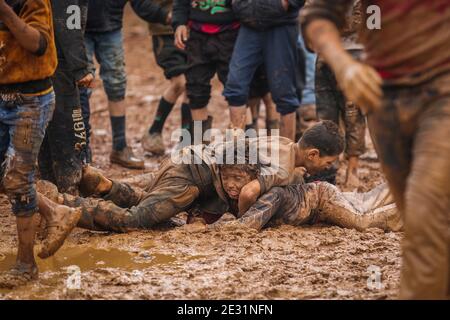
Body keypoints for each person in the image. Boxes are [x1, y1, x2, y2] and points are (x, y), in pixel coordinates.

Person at [301, 0, 450, 299]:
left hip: (442, 95)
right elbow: (317, 17)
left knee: (424, 213)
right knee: (419, 217)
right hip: (384, 101)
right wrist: (344, 65)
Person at [37, 121, 344, 234]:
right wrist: (244, 223)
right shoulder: (282, 168)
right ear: (313, 154)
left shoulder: (281, 143)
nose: (327, 168)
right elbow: (250, 192)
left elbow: (235, 136)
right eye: (328, 161)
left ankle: (105, 185)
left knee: (157, 212)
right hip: (190, 175)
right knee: (138, 220)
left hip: (195, 161)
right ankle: (67, 207)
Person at [0, 0, 81, 287]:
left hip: (31, 100)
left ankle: (26, 264)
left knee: (19, 180)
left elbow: (37, 44)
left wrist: (5, 12)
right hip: (2, 93)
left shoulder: (33, 2)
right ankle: (54, 211)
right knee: (4, 176)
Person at [80, 0, 170, 169]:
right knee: (82, 86)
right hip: (77, 29)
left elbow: (141, 3)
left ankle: (120, 147)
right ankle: (81, 151)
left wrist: (167, 16)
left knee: (117, 83)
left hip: (111, 27)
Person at [223, 0, 305, 140]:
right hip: (249, 24)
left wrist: (286, 3)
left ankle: (285, 156)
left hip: (281, 25)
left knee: (284, 93)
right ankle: (236, 154)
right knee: (235, 86)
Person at [38, 0, 92, 196]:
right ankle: (70, 188)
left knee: (45, 126)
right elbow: (69, 26)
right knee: (70, 126)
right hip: (59, 64)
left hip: (40, 61)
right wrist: (80, 68)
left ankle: (49, 187)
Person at [314, 0, 366, 189]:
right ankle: (328, 168)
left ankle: (353, 169)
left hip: (354, 53)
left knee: (353, 113)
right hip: (325, 55)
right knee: (325, 114)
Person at [173, 0, 239, 143]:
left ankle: (241, 149)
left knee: (238, 91)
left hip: (232, 33)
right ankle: (200, 149)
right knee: (196, 89)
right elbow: (180, 3)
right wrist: (179, 23)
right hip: (197, 34)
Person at [141, 0, 192, 155]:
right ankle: (154, 131)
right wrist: (166, 16)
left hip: (193, 29)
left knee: (192, 84)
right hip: (165, 31)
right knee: (179, 82)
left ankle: (187, 140)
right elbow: (141, 4)